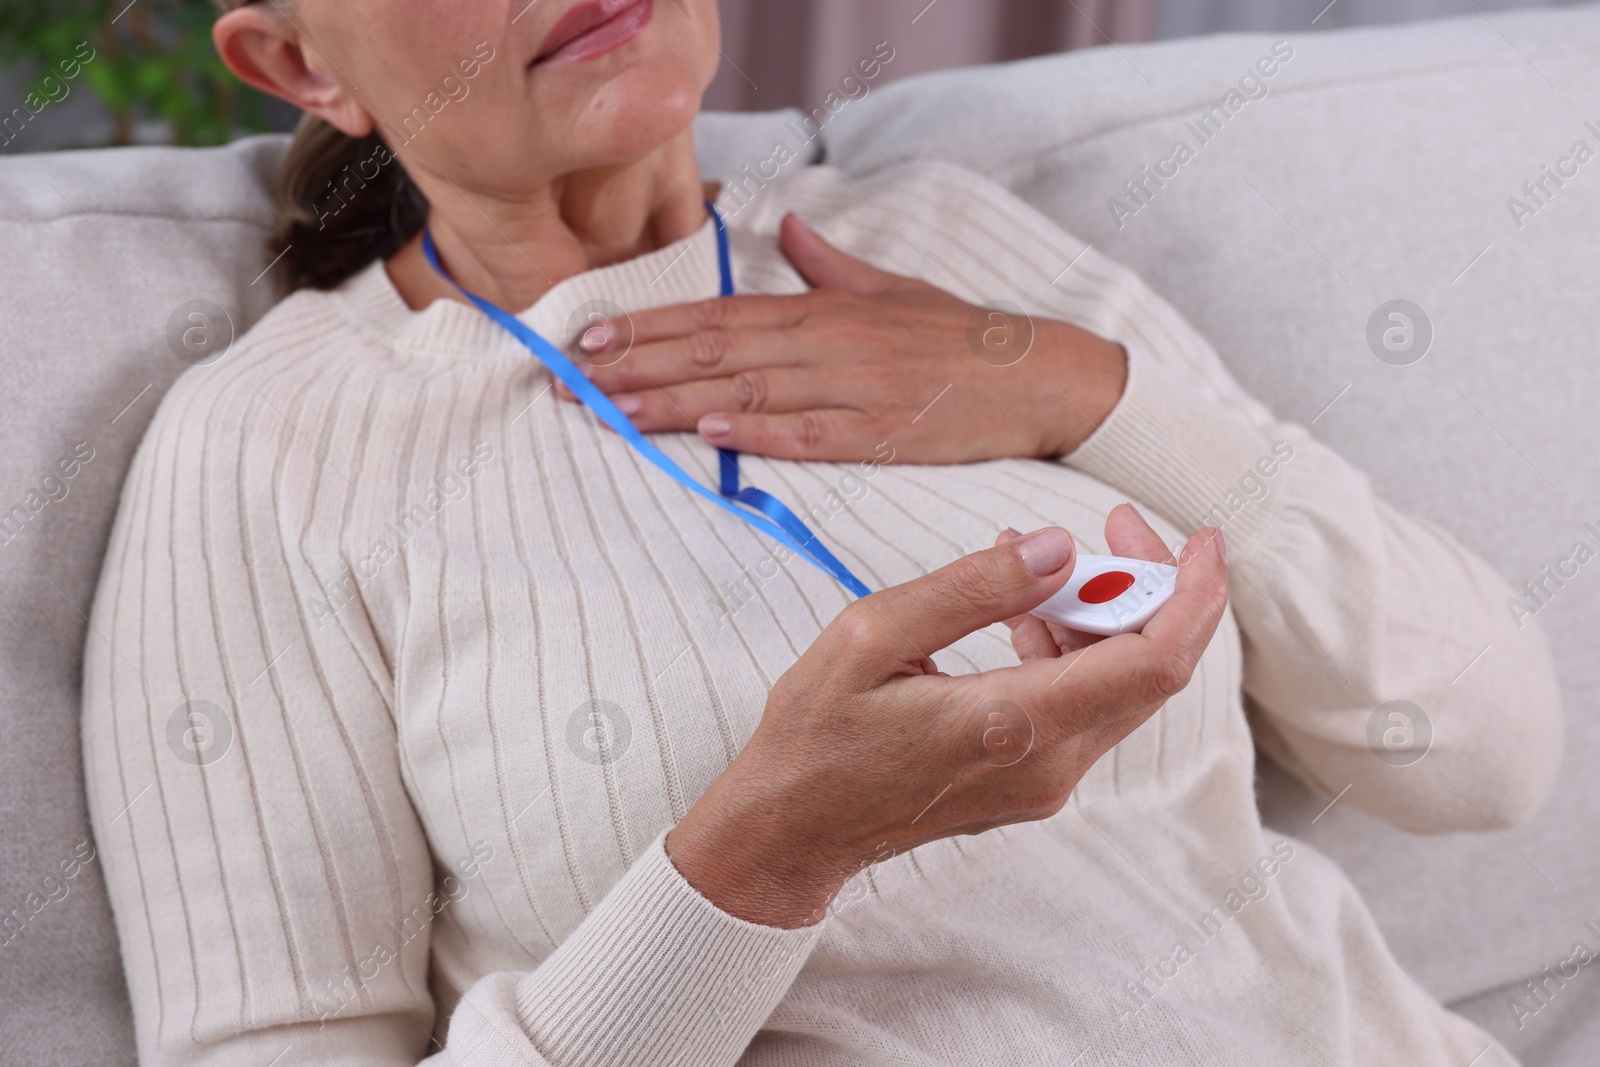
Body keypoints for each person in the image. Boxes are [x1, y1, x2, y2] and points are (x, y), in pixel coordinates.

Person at [80, 0, 1562, 1063]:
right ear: (296, 60)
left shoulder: (939, 244)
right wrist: (765, 858)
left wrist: (1079, 386)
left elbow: (1489, 754)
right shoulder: (269, 454)